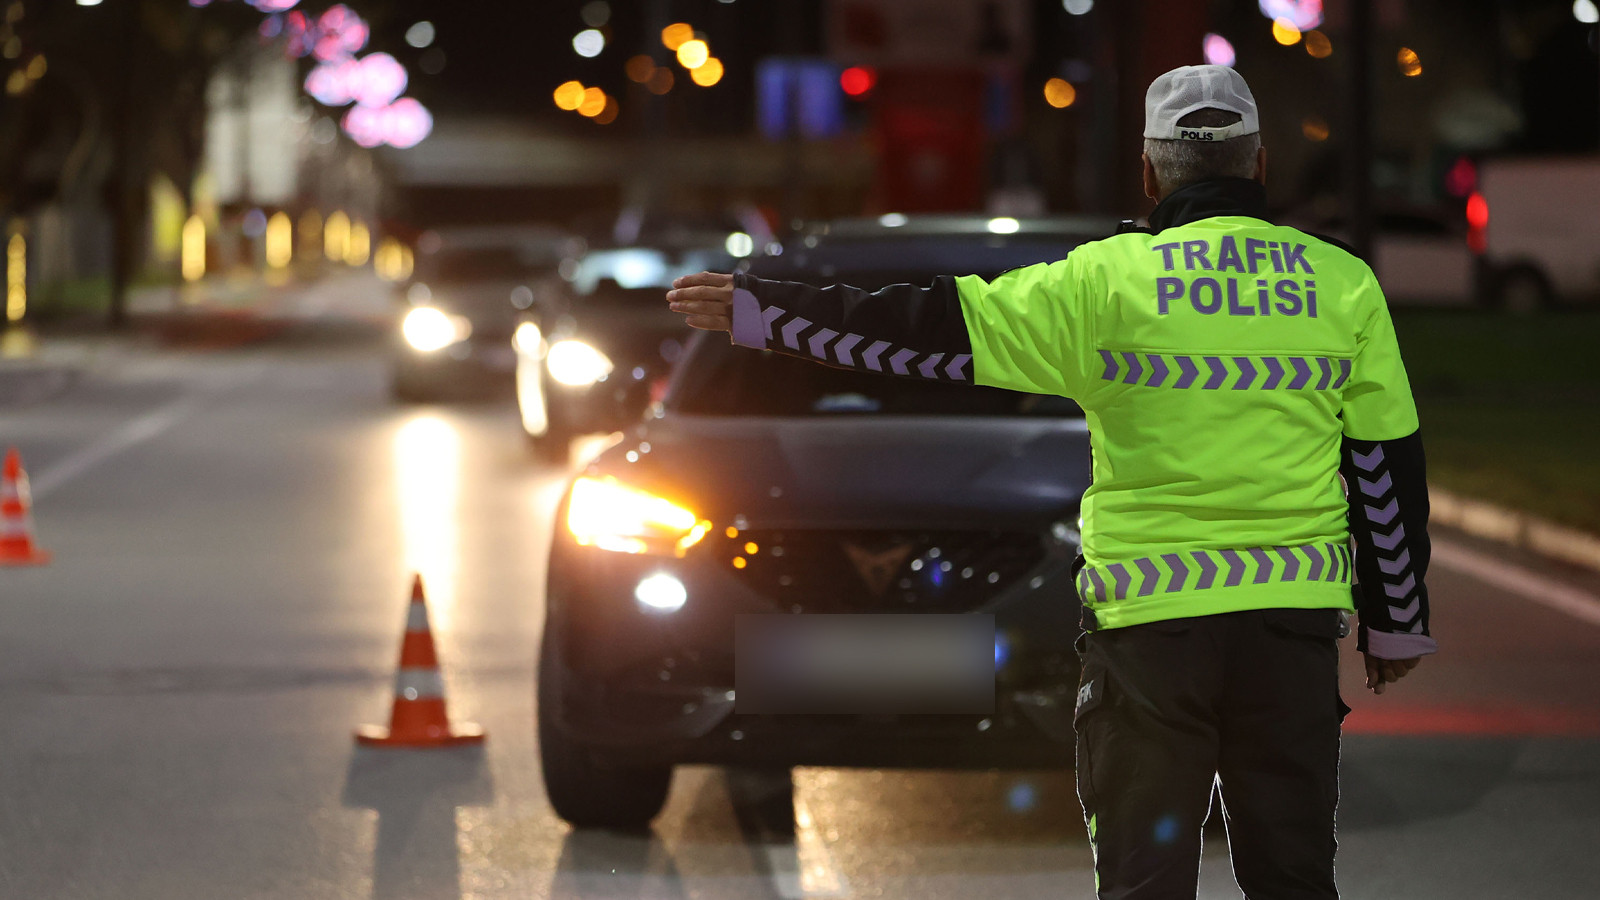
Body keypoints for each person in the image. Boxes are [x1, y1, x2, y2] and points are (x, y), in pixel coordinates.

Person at [665, 64, 1433, 899]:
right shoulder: (1341, 284)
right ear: (1260, 163)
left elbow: (930, 327)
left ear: (1150, 172)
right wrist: (1395, 622)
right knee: (1294, 880)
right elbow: (1383, 464)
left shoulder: (1103, 283)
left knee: (1144, 881)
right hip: (1289, 632)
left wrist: (768, 312)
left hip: (1150, 635)